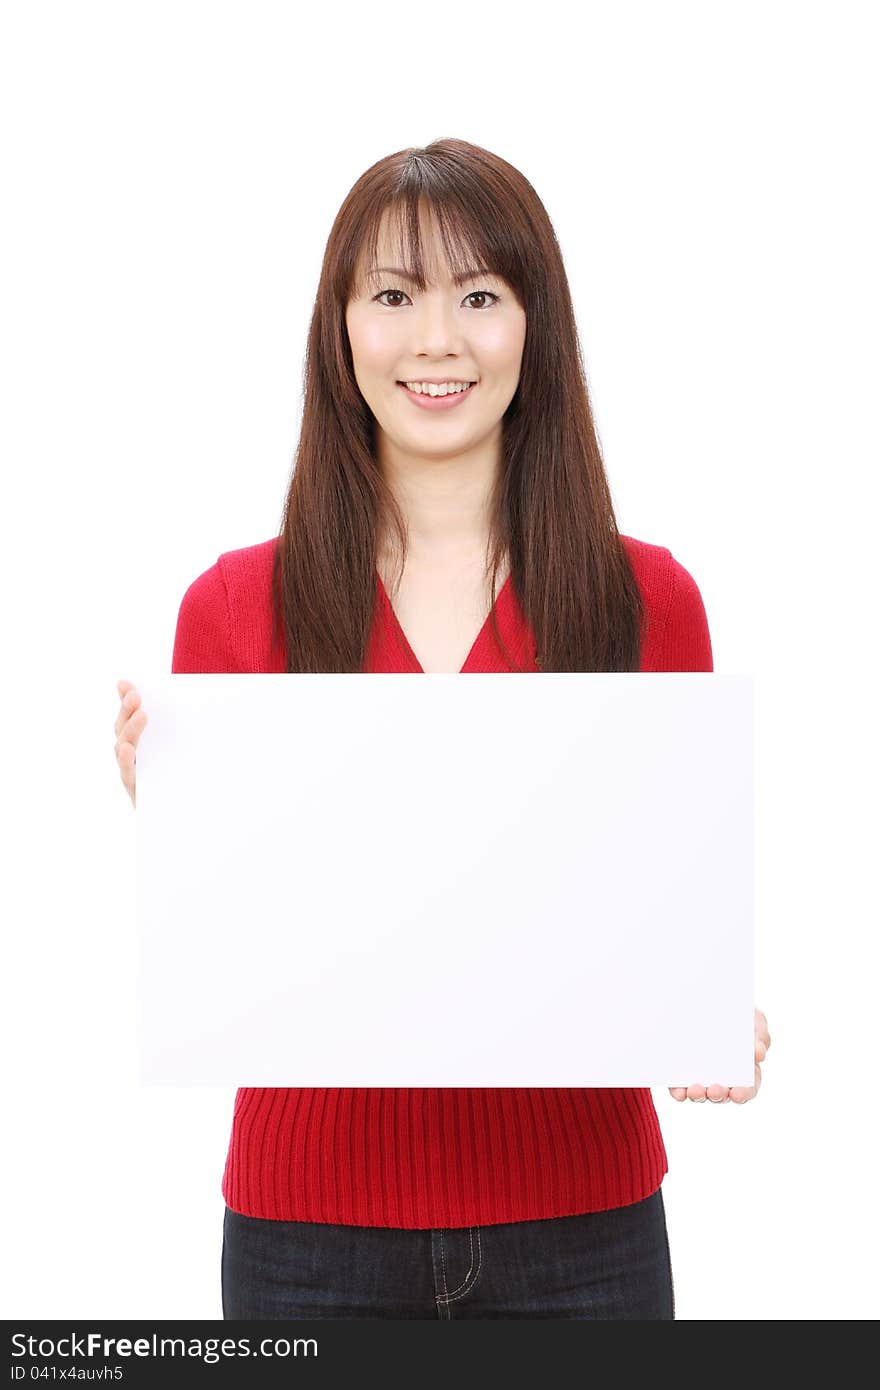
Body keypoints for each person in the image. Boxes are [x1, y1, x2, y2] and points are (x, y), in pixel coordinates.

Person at [114, 137, 771, 1321]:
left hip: (583, 1229)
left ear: (535, 325)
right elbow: (252, 940)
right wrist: (173, 823)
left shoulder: (644, 600)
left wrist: (710, 1006)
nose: (437, 340)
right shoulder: (231, 607)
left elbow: (658, 901)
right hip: (304, 1231)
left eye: (480, 295)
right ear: (341, 327)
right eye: (393, 295)